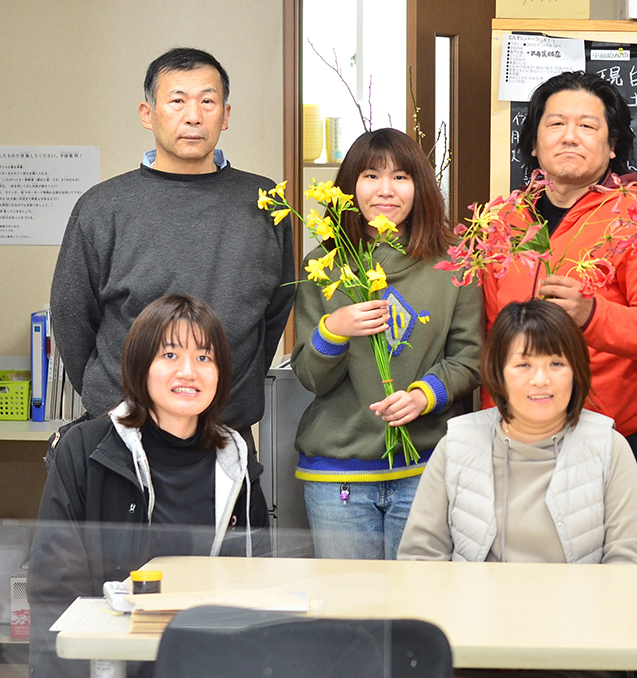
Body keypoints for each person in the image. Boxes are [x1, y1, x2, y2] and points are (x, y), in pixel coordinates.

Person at [51, 47, 295, 442]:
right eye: (177, 101)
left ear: (225, 115)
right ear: (147, 113)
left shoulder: (265, 200)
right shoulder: (102, 206)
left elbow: (276, 309)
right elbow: (72, 317)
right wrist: (112, 396)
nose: (193, 116)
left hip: (226, 430)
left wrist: (235, 388)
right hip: (125, 428)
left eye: (207, 102)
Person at [484, 71, 637, 540]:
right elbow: (488, 335)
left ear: (612, 146)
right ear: (533, 143)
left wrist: (592, 315)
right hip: (518, 440)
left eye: (588, 126)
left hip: (616, 437)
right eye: (555, 124)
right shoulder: (502, 221)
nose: (570, 136)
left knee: (622, 577)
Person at [28, 295, 269, 678]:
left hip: (204, 660)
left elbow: (256, 583)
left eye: (204, 358)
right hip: (105, 659)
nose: (188, 372)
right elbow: (53, 585)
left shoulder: (236, 460)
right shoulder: (86, 449)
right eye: (170, 355)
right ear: (139, 366)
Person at [292, 128, 483, 560]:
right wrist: (334, 329)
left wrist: (423, 396)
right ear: (349, 187)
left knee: (421, 598)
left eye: (400, 177)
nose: (385, 190)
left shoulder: (454, 262)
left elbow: (470, 358)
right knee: (351, 600)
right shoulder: (324, 264)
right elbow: (312, 378)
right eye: (371, 176)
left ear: (420, 186)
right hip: (339, 473)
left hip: (425, 466)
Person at [399, 300, 637, 563]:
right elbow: (421, 556)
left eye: (556, 364)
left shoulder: (608, 446)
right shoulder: (457, 444)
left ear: (576, 371)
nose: (541, 380)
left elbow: (627, 560)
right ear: (498, 372)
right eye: (524, 365)